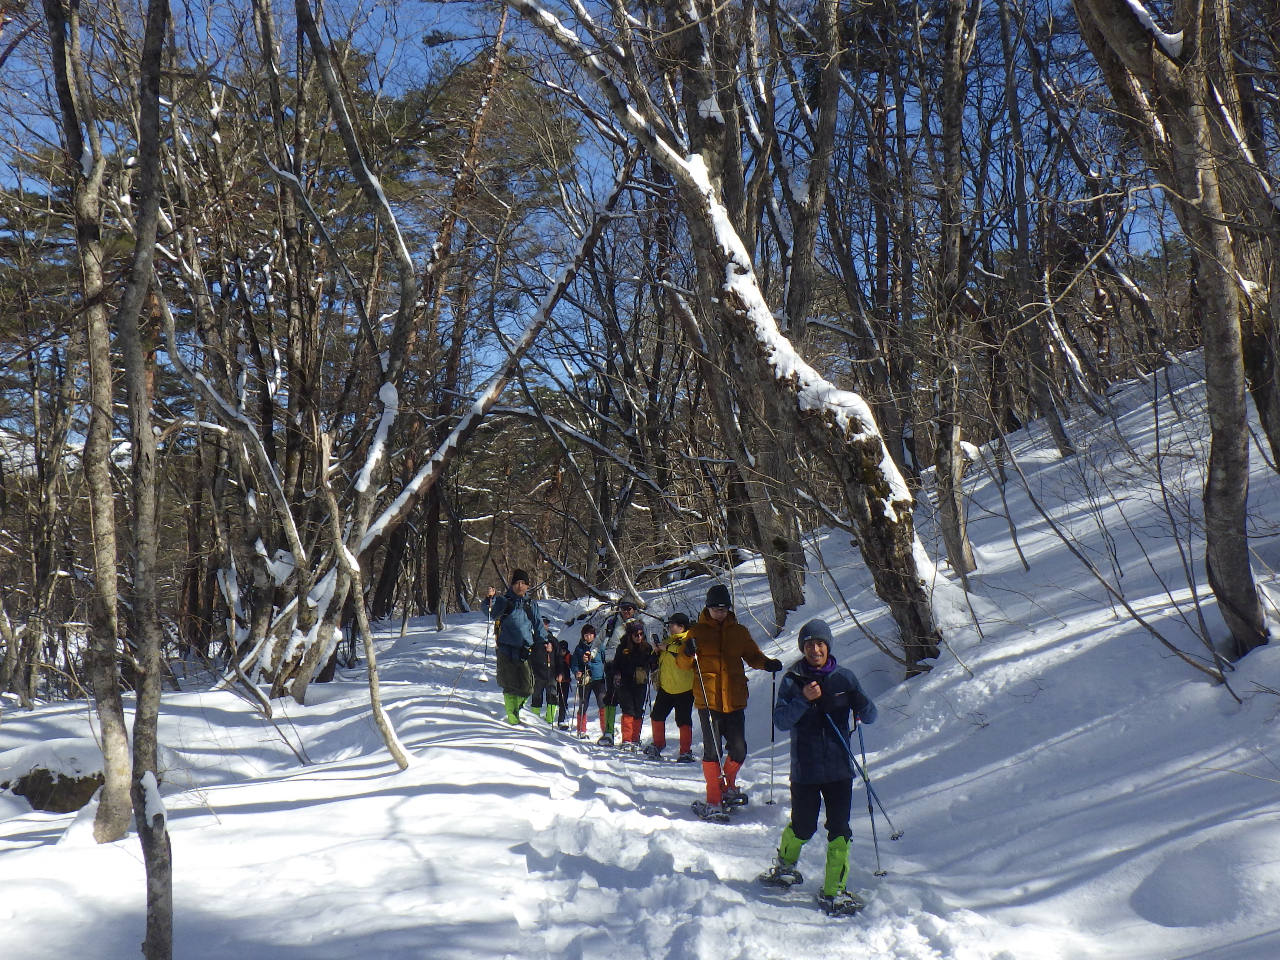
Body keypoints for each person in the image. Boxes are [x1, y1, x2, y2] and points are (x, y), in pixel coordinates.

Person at [759, 618, 877, 917]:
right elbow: (781, 721)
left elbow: (871, 715)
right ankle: (785, 867)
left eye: (820, 644)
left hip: (839, 769)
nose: (815, 650)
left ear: (828, 646)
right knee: (803, 827)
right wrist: (803, 699)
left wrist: (861, 702)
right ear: (803, 648)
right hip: (806, 770)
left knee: (840, 831)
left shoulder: (845, 678)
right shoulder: (792, 679)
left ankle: (834, 891)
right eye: (809, 644)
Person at [678, 584, 781, 820]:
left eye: (724, 609)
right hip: (709, 701)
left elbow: (753, 655)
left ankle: (727, 786)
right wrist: (687, 652)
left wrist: (767, 663)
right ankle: (713, 799)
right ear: (708, 608)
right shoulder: (696, 632)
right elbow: (682, 665)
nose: (720, 613)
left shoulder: (739, 632)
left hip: (734, 699)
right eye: (716, 609)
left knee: (739, 749)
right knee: (712, 751)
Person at [489, 569, 550, 725]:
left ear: (527, 585)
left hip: (525, 650)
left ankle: (515, 710)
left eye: (523, 583)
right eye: (516, 583)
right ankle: (513, 720)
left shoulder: (531, 605)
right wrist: (490, 599)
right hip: (505, 650)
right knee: (509, 686)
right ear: (512, 585)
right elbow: (490, 612)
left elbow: (538, 624)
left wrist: (544, 641)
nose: (520, 586)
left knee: (528, 687)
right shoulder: (503, 601)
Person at [645, 612, 696, 762]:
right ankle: (658, 744)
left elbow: (686, 653)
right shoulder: (668, 641)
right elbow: (660, 660)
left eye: (672, 625)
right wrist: (655, 653)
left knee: (683, 720)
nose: (669, 627)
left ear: (681, 626)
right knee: (656, 716)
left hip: (684, 689)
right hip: (666, 688)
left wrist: (667, 648)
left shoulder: (688, 640)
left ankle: (685, 751)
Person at [596, 598, 641, 745]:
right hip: (612, 664)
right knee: (611, 697)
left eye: (629, 608)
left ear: (634, 610)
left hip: (631, 666)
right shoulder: (612, 623)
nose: (626, 611)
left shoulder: (639, 625)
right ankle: (608, 732)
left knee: (631, 700)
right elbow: (599, 640)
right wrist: (592, 653)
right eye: (623, 608)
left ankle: (631, 737)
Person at [611, 620, 655, 752]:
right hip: (625, 683)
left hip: (640, 682)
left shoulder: (647, 648)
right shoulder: (622, 647)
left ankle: (635, 739)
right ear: (630, 635)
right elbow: (615, 664)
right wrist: (616, 674)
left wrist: (652, 663)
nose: (639, 637)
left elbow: (654, 663)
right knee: (628, 710)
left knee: (638, 710)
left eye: (641, 634)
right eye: (636, 634)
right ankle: (627, 739)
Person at [572, 624, 607, 739]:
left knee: (602, 703)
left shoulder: (599, 646)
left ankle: (606, 729)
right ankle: (581, 730)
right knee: (583, 704)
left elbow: (605, 660)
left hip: (598, 679)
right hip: (585, 679)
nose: (588, 637)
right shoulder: (579, 648)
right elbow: (574, 663)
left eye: (591, 634)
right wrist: (577, 672)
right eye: (586, 635)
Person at [529, 621, 559, 724]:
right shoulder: (533, 639)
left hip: (552, 673)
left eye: (546, 624)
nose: (544, 626)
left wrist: (560, 672)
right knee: (536, 696)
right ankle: (535, 719)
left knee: (552, 696)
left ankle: (550, 720)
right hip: (537, 673)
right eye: (542, 624)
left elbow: (559, 657)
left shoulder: (553, 640)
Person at [556, 638, 573, 729]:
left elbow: (573, 666)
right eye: (561, 650)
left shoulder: (568, 657)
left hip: (565, 682)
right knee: (554, 700)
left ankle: (561, 720)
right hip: (556, 681)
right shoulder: (556, 656)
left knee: (563, 701)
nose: (563, 652)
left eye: (564, 650)